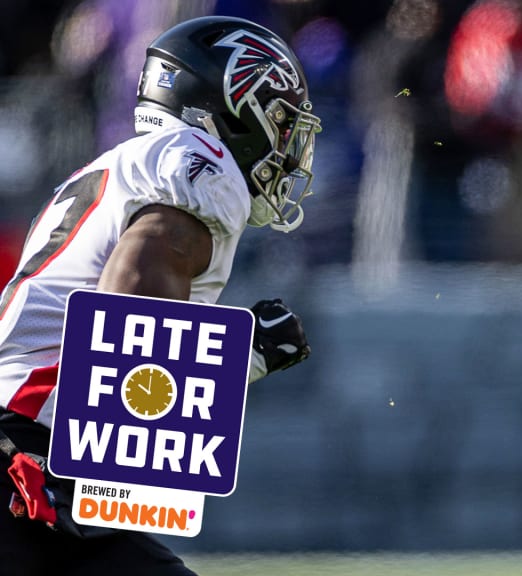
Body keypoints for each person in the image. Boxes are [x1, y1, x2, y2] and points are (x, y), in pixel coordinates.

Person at [0, 15, 320, 575]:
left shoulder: (120, 169)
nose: (290, 145)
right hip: (26, 462)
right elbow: (133, 298)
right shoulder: (203, 164)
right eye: (280, 121)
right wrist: (233, 362)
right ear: (231, 105)